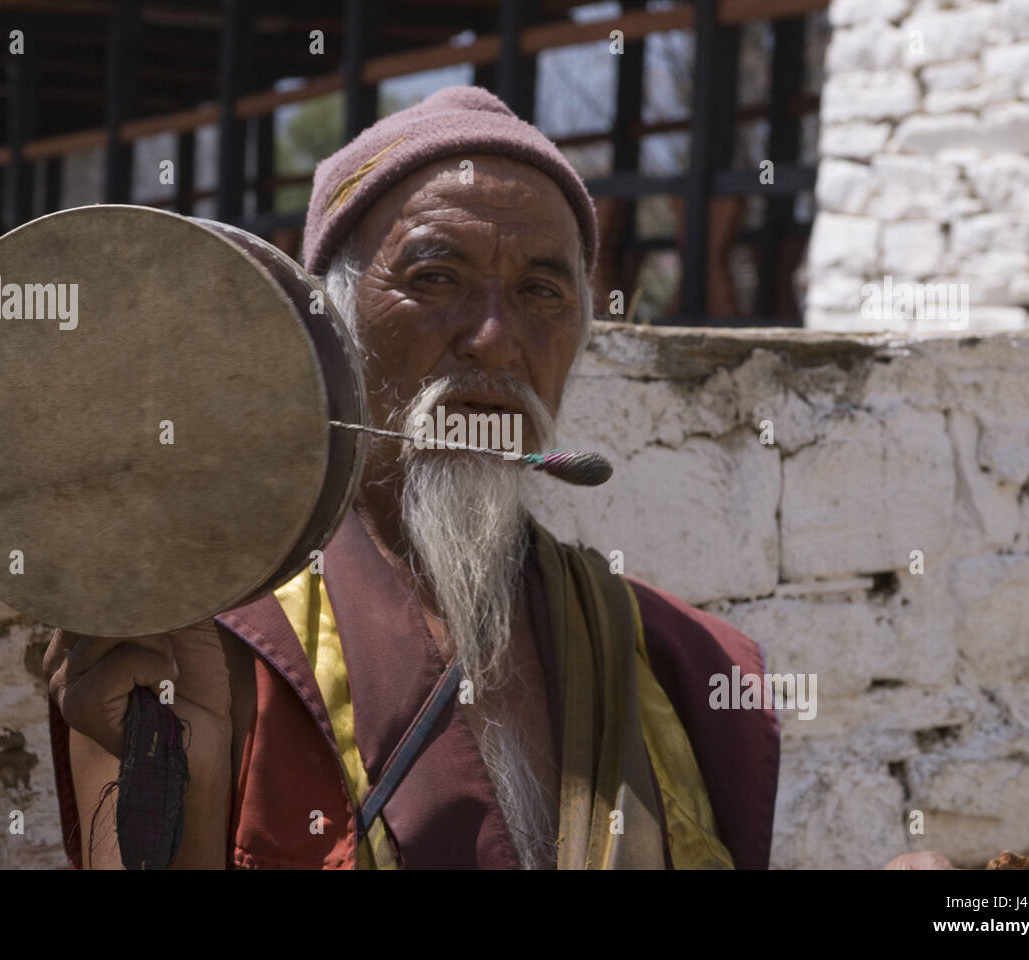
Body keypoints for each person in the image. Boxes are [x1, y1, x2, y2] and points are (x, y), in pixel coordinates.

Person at [44, 86, 779, 870]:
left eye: (541, 291)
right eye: (435, 278)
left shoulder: (684, 661)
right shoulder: (197, 639)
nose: (495, 341)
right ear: (335, 325)